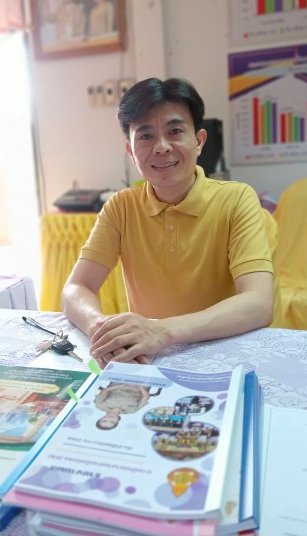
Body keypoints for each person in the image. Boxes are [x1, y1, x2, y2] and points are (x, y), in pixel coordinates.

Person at [61, 78, 274, 367]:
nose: (161, 147)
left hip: (222, 356)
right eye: (146, 136)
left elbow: (259, 302)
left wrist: (161, 330)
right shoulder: (121, 207)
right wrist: (102, 331)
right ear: (130, 151)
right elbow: (76, 288)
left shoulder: (237, 199)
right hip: (148, 359)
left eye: (175, 131)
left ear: (199, 141)